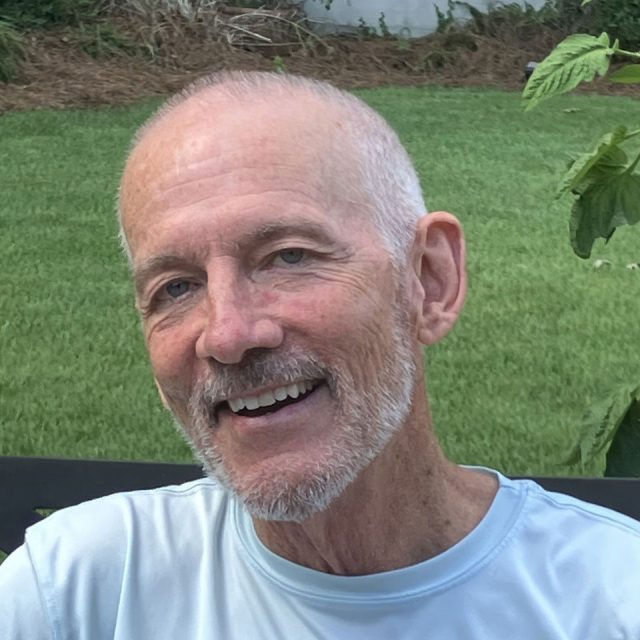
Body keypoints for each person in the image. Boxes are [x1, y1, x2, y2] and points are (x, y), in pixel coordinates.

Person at [1, 71, 639, 639]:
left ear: (430, 280)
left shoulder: (610, 600)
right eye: (176, 287)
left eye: (289, 256)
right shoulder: (77, 592)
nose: (227, 334)